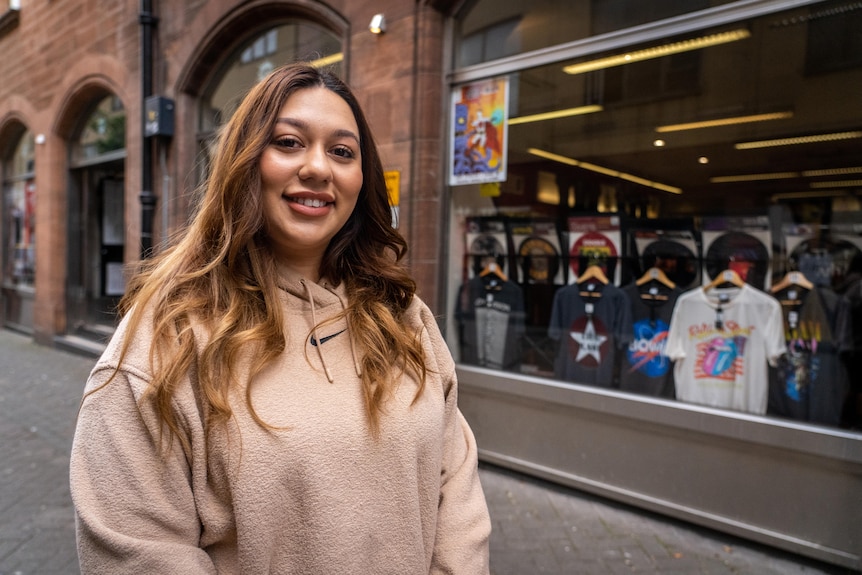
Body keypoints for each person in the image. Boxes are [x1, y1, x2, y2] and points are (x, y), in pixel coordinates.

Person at [69, 63, 491, 574]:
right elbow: (137, 549)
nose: (318, 168)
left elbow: (457, 495)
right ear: (244, 162)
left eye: (342, 151)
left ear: (362, 178)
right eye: (289, 142)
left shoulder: (402, 318)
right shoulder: (167, 338)